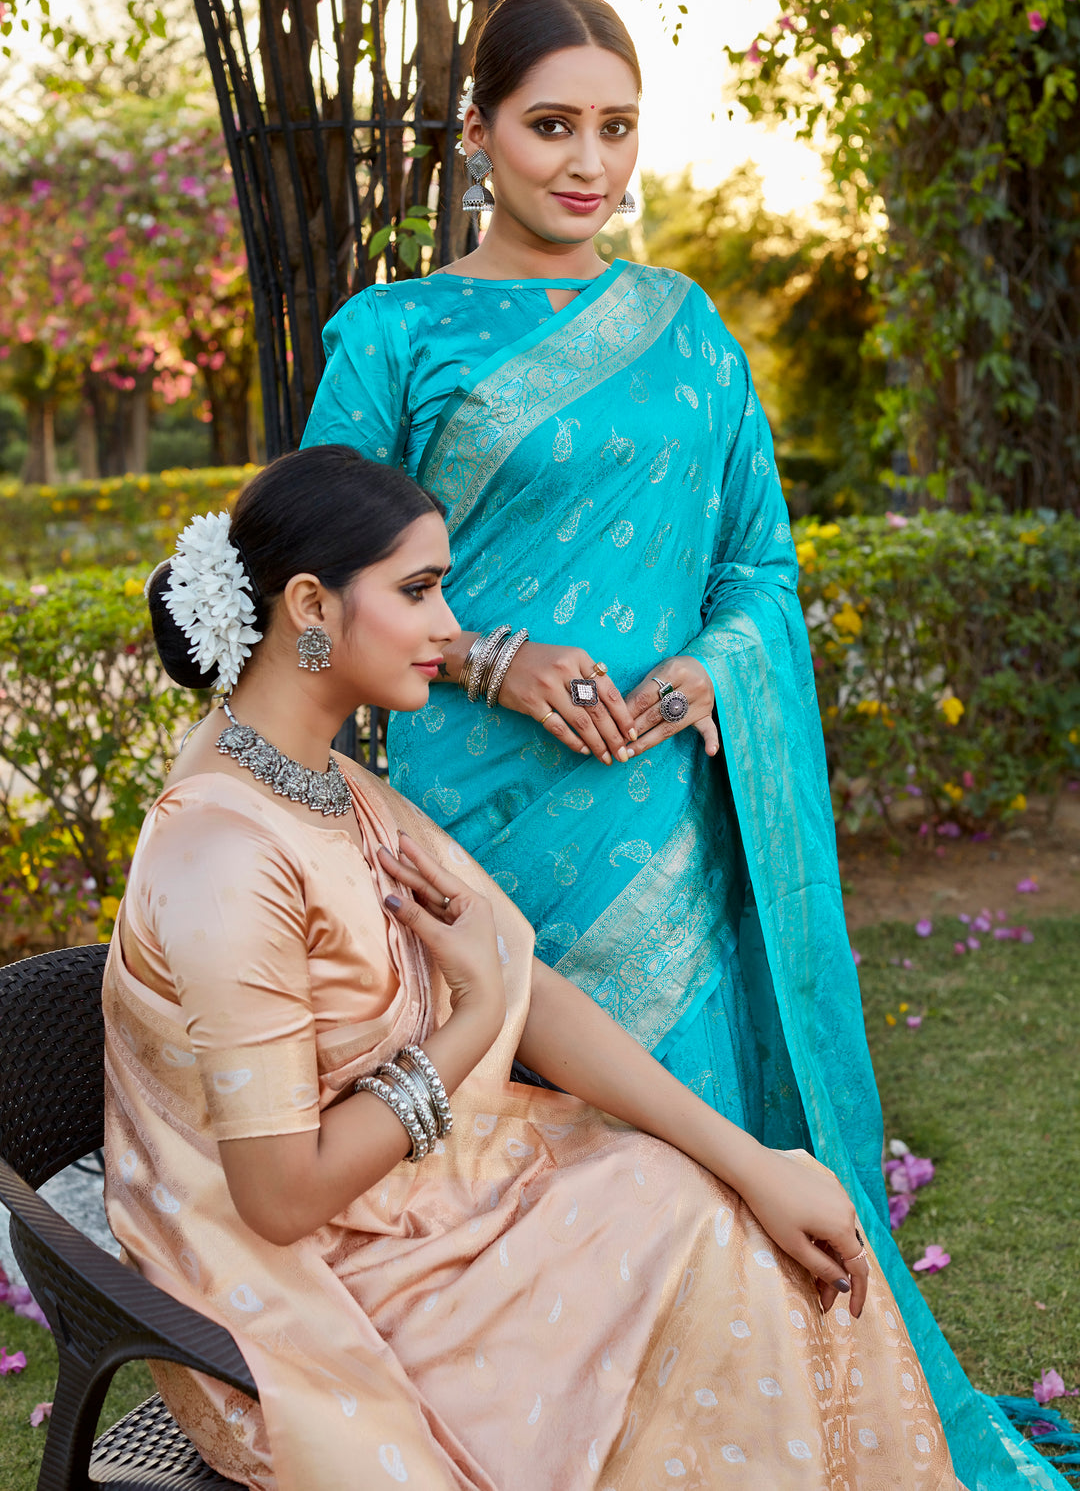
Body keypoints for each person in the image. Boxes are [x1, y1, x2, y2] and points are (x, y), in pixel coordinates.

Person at [298, 0, 1065, 1487]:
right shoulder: (395, 335)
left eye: (616, 127)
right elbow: (313, 589)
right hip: (479, 827)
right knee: (538, 1204)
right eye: (551, 125)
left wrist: (720, 668)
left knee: (704, 1181)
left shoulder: (690, 333)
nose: (588, 163)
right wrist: (494, 655)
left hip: (665, 839)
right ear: (478, 135)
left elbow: (757, 570)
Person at [104, 448, 965, 1490]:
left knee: (732, 1208)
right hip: (312, 1295)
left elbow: (527, 982)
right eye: (419, 590)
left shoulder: (328, 783)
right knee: (711, 1262)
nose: (445, 626)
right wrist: (473, 1018)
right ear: (308, 605)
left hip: (424, 1209)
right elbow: (281, 1201)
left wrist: (754, 1164)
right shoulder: (226, 858)